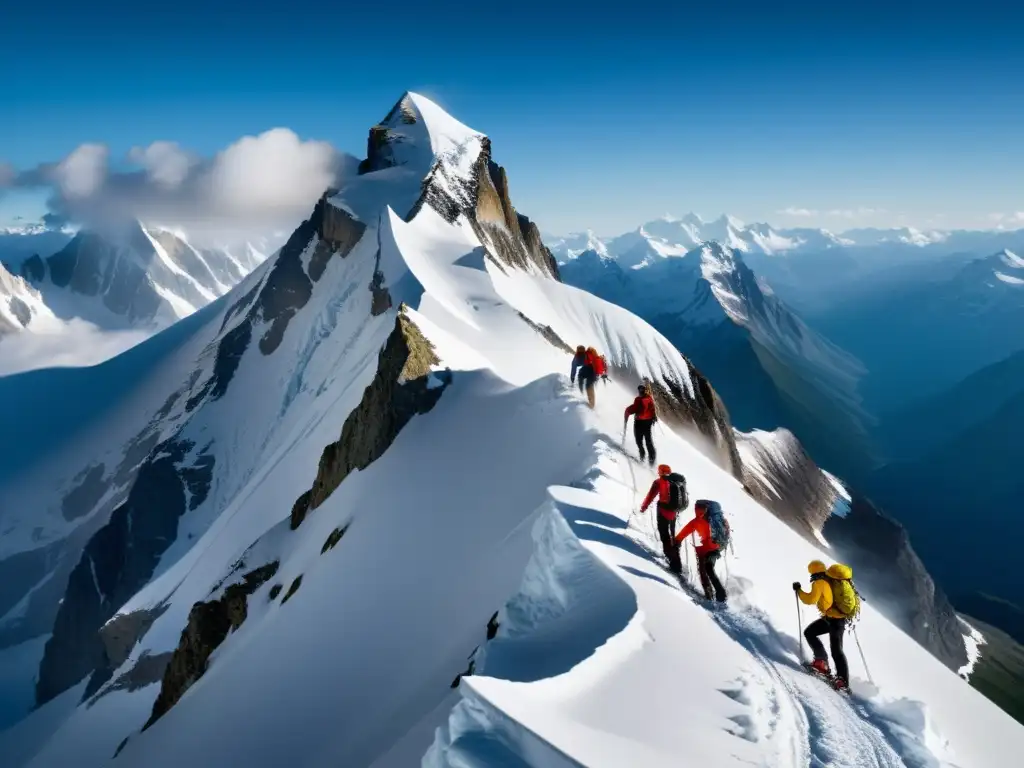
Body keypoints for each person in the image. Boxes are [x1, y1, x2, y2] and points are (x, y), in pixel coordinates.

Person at [793, 560, 852, 691]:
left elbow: (810, 600)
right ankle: (822, 663)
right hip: (834, 619)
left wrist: (799, 590)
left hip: (834, 620)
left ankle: (842, 681)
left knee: (836, 650)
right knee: (811, 632)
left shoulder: (819, 582)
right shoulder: (829, 579)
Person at [674, 500, 727, 603]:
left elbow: (684, 532)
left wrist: (677, 541)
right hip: (717, 547)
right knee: (709, 568)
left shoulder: (696, 522)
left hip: (707, 548)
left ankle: (711, 594)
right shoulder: (716, 518)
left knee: (705, 569)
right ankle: (720, 594)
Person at [638, 464, 685, 574]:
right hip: (673, 512)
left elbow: (651, 496)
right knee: (672, 536)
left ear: (660, 472)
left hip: (663, 511)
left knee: (664, 535)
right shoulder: (676, 482)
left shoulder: (658, 482)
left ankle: (671, 560)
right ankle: (677, 564)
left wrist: (643, 507)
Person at [624, 383, 657, 466]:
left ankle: (644, 457)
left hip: (640, 422)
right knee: (647, 441)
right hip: (646, 422)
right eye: (640, 389)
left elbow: (634, 408)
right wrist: (653, 417)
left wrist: (627, 412)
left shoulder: (640, 399)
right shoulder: (649, 399)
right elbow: (652, 409)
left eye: (642, 389)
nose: (640, 390)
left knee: (640, 441)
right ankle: (650, 461)